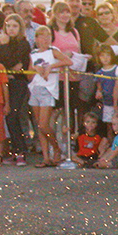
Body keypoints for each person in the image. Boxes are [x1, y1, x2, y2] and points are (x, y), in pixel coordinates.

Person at [29, 26, 71, 167]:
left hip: (48, 89)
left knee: (44, 124)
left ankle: (56, 147)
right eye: (41, 36)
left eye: (47, 36)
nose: (45, 39)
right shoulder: (33, 53)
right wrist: (36, 69)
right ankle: (46, 157)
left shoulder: (53, 51)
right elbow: (29, 75)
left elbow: (68, 61)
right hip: (36, 88)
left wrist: (51, 67)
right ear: (36, 39)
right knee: (39, 126)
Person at [0, 14, 31, 165]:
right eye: (8, 26)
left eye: (14, 26)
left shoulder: (24, 43)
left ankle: (21, 151)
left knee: (14, 115)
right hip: (5, 82)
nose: (11, 29)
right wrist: (9, 68)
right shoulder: (3, 41)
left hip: (18, 83)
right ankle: (16, 149)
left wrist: (4, 48)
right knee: (8, 117)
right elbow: (2, 63)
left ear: (20, 28)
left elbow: (14, 61)